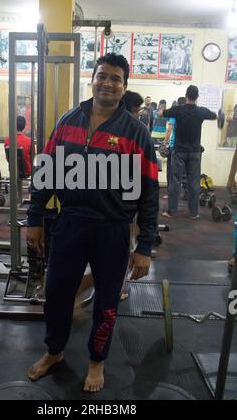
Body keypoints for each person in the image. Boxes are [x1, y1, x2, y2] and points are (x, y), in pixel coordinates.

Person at [26, 53, 159, 392]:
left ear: (124, 86)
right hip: (69, 222)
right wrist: (35, 218)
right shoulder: (69, 120)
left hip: (112, 228)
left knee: (107, 300)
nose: (107, 83)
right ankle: (54, 351)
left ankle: (97, 361)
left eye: (115, 78)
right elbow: (46, 172)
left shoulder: (135, 132)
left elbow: (149, 192)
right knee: (57, 292)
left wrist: (144, 245)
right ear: (93, 79)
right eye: (102, 76)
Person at [162, 85, 217, 219]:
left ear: (186, 95)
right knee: (194, 183)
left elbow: (162, 113)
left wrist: (161, 110)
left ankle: (171, 212)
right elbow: (215, 116)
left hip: (179, 152)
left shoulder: (178, 110)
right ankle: (194, 213)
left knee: (175, 182)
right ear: (197, 97)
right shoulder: (201, 111)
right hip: (194, 152)